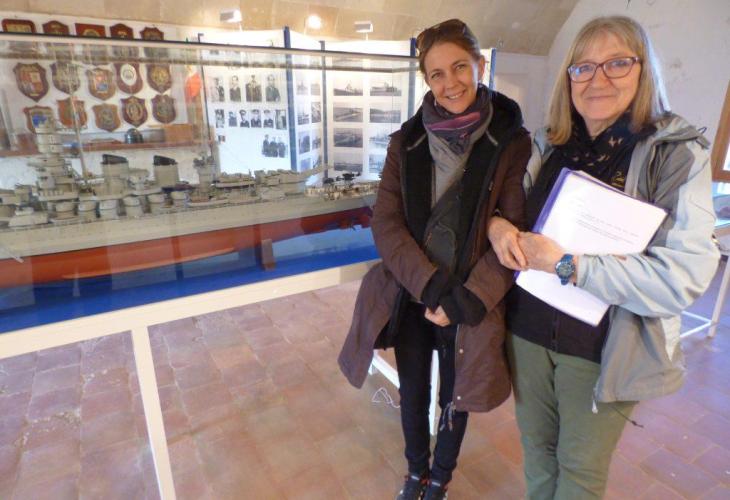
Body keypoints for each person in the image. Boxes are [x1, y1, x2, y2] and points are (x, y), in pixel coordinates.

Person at [487, 16, 719, 499]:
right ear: (568, 77)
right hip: (527, 333)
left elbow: (682, 277)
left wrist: (569, 265)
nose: (598, 79)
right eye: (583, 67)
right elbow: (507, 211)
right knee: (537, 454)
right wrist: (497, 226)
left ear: (644, 70)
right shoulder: (548, 143)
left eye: (617, 63)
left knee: (579, 474)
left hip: (604, 349)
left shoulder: (675, 155)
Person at [338, 19, 531, 500]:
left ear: (480, 65)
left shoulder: (511, 142)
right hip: (414, 291)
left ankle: (440, 478)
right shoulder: (406, 143)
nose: (451, 83)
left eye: (460, 67)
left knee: (455, 395)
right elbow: (386, 224)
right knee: (414, 389)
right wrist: (431, 288)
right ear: (426, 79)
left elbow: (513, 231)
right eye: (437, 74)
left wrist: (464, 299)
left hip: (468, 296)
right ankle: (415, 472)